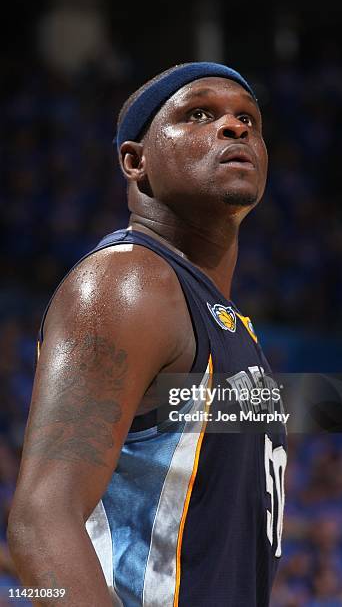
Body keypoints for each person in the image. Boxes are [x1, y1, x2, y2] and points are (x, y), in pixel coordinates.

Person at [7, 62, 287, 607]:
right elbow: (41, 521)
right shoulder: (129, 282)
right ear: (136, 161)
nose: (235, 127)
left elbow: (340, 404)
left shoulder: (221, 319)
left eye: (248, 120)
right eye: (200, 114)